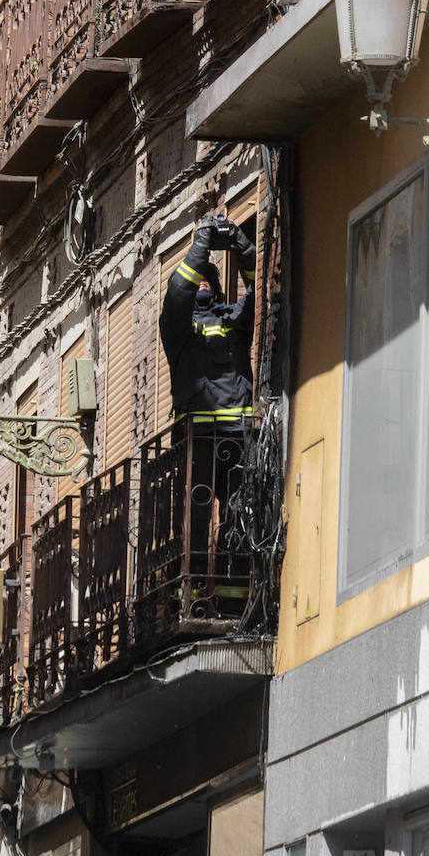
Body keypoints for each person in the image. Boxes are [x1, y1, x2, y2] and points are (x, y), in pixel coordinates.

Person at [159, 215, 256, 594]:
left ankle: (234, 593)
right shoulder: (177, 327)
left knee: (239, 513)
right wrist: (200, 246)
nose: (200, 281)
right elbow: (179, 294)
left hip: (237, 434)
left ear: (216, 288)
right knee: (196, 518)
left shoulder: (233, 320)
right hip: (196, 436)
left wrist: (241, 245)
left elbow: (255, 287)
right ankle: (195, 588)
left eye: (207, 278)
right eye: (197, 277)